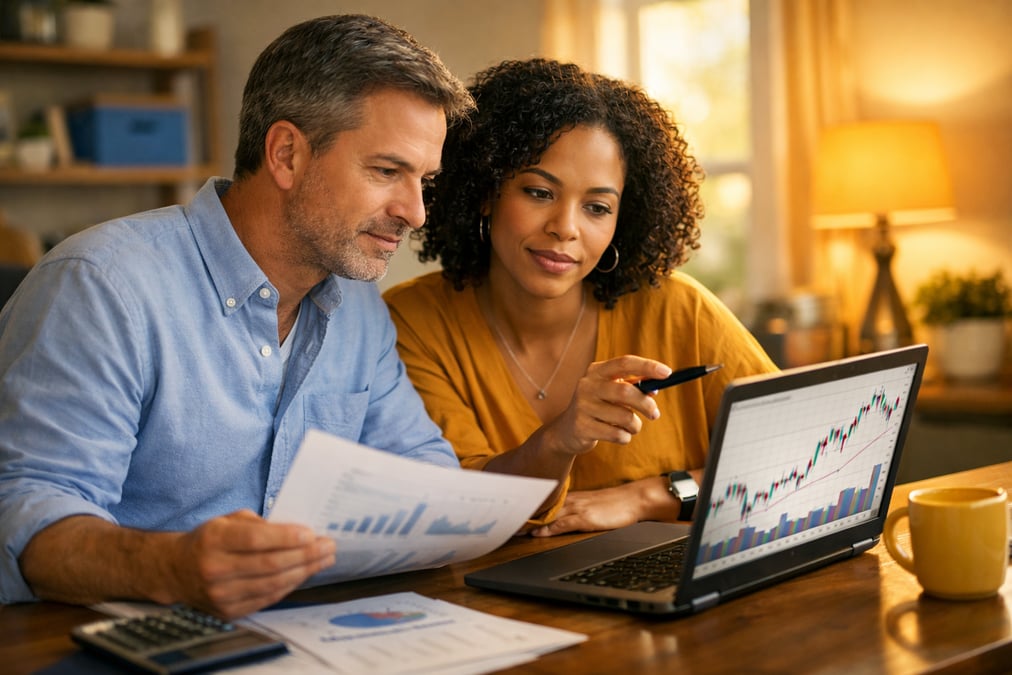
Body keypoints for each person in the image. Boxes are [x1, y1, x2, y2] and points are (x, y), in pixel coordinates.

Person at [0, 14, 474, 618]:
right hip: (109, 639)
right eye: (386, 171)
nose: (415, 212)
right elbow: (27, 516)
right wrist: (169, 566)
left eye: (424, 181)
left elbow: (422, 472)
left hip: (305, 630)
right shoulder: (101, 286)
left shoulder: (357, 305)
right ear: (285, 154)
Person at [383, 58, 778, 538]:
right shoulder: (415, 323)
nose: (565, 228)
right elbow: (460, 509)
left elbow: (800, 452)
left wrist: (647, 497)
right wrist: (559, 440)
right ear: (486, 191)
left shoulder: (679, 310)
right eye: (538, 192)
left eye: (596, 207)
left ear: (622, 219)